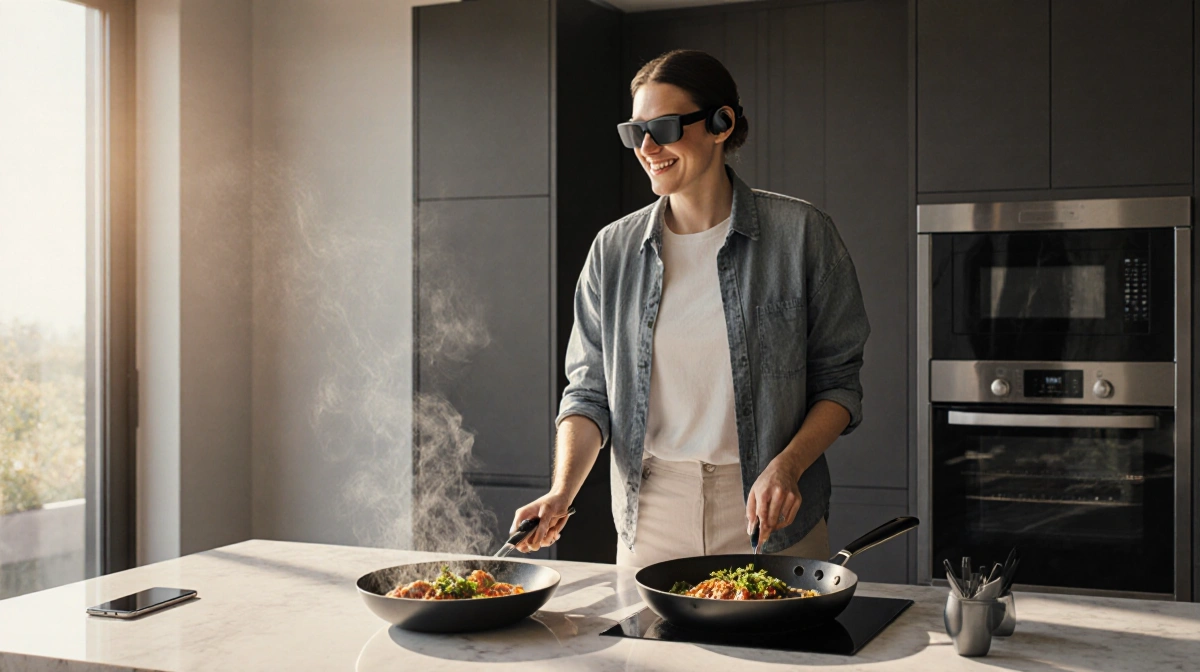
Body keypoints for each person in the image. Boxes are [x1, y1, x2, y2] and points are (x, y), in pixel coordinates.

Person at [511, 49, 870, 567]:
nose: (648, 147)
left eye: (664, 126)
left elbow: (839, 383)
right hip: (649, 512)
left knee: (775, 650)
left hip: (769, 511)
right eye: (636, 131)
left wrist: (788, 468)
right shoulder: (612, 251)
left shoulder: (802, 236)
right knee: (648, 652)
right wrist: (562, 491)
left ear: (721, 124)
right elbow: (588, 393)